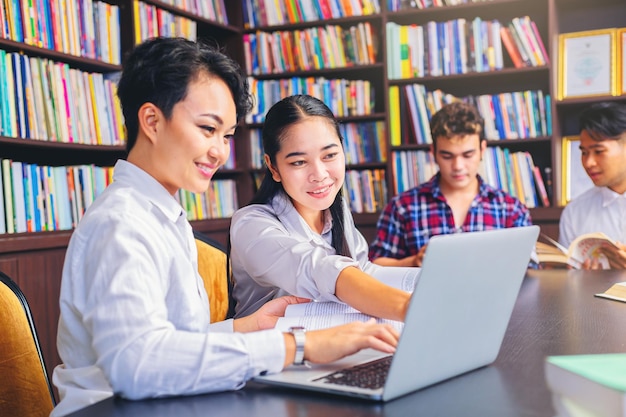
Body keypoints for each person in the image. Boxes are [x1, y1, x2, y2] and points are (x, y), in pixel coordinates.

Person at [51, 38, 400, 417]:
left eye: (227, 135)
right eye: (207, 129)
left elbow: (169, 345)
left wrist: (246, 327)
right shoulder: (121, 223)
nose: (220, 151)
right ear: (151, 121)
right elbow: (138, 365)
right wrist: (299, 346)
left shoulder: (162, 213)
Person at [229, 95, 416, 320]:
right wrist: (409, 308)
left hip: (331, 344)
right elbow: (317, 269)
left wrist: (427, 282)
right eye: (299, 162)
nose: (319, 175)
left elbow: (364, 272)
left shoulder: (336, 210)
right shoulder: (251, 225)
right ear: (273, 167)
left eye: (329, 155)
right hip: (275, 350)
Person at [369, 101, 532, 267]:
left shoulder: (511, 209)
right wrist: (414, 261)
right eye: (447, 156)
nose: (458, 166)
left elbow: (530, 268)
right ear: (433, 152)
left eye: (468, 155)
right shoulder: (402, 207)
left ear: (482, 150)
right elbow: (374, 265)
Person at [559, 102, 626, 269]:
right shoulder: (575, 212)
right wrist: (582, 281)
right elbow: (567, 282)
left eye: (598, 151)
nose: (588, 163)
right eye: (584, 153)